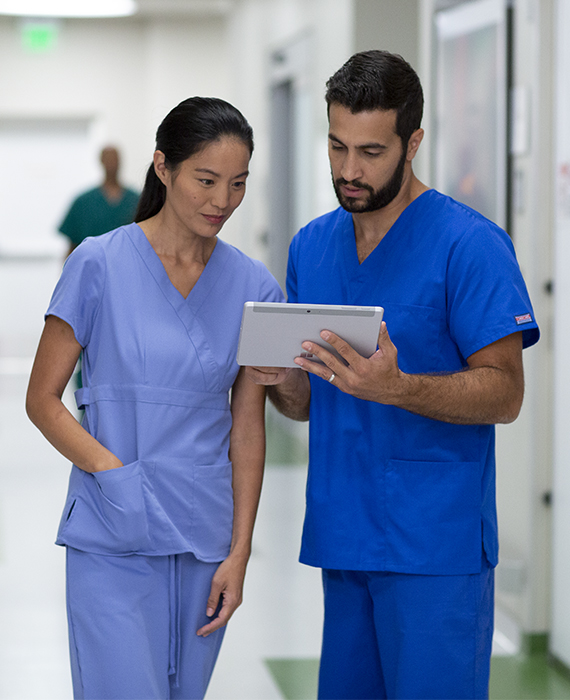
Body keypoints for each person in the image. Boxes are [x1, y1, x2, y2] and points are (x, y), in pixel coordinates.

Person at [246, 50, 539, 700]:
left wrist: (399, 388)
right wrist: (279, 380)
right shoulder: (312, 247)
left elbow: (506, 392)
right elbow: (306, 402)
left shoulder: (470, 246)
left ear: (414, 142)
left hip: (435, 548)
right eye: (337, 146)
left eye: (371, 151)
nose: (349, 171)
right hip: (344, 538)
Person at [26, 97, 283, 700]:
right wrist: (112, 474)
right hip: (113, 529)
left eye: (238, 184)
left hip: (205, 537)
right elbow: (42, 400)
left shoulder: (252, 284)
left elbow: (247, 427)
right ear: (163, 168)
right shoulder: (98, 264)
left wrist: (241, 552)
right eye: (206, 180)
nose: (222, 201)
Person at [59, 145, 139, 255]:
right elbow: (72, 246)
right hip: (91, 267)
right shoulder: (83, 202)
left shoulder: (136, 201)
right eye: (108, 159)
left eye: (115, 159)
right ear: (101, 161)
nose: (112, 164)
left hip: (127, 265)